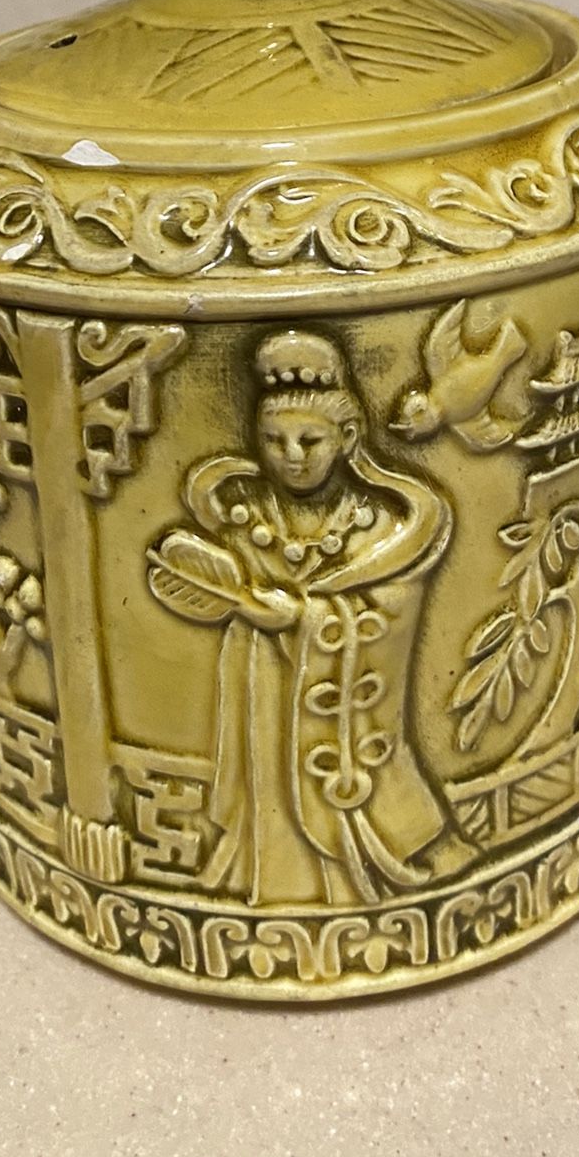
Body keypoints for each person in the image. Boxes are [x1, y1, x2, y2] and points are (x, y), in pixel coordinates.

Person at [147, 329, 473, 906]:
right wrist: (256, 612)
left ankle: (390, 850)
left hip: (343, 716)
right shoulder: (246, 517)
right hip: (267, 694)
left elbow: (392, 610)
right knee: (267, 779)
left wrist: (303, 616)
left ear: (347, 438)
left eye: (309, 440)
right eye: (274, 441)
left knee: (365, 767)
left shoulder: (377, 528)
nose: (292, 457)